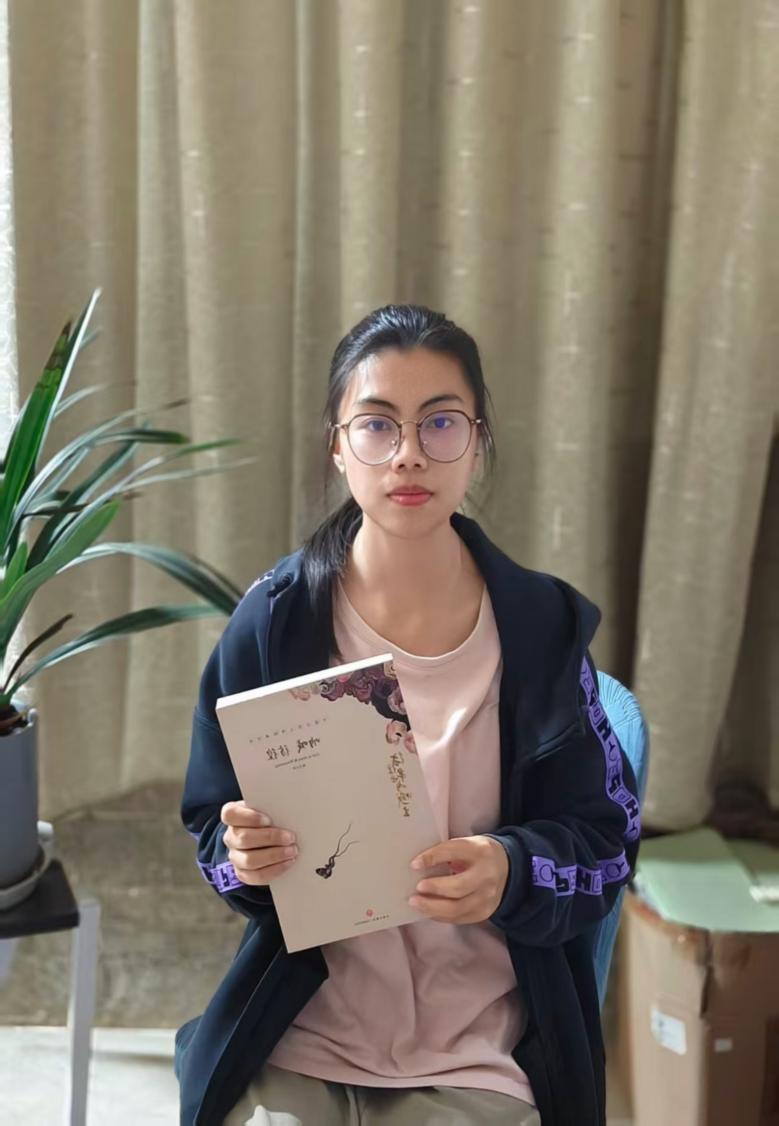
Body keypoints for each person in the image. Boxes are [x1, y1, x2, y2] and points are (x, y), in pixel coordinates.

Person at [174, 304, 641, 1126]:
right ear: (337, 445)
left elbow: (606, 850)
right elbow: (212, 829)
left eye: (440, 423)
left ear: (478, 441)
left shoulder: (541, 630)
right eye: (377, 424)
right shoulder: (276, 622)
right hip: (303, 1027)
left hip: (484, 1046)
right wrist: (246, 859)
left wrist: (511, 869)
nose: (408, 454)